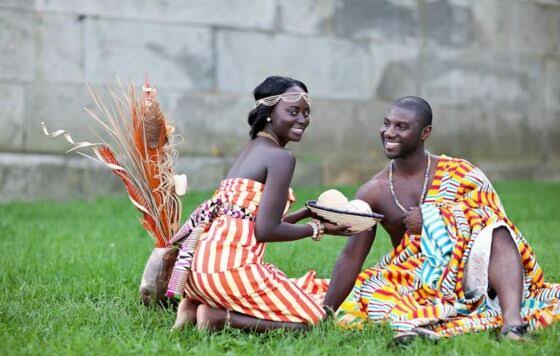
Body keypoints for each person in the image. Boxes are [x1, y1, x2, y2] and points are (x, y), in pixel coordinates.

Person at [324, 96, 560, 342]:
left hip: (469, 270)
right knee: (377, 291)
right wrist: (324, 313)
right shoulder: (374, 190)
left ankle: (513, 326)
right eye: (387, 123)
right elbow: (352, 256)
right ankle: (427, 328)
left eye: (401, 126)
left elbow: (493, 218)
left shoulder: (460, 171)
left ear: (425, 132)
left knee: (497, 230)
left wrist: (433, 220)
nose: (389, 132)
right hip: (417, 280)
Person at [167, 76, 353, 332]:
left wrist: (305, 213)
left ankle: (192, 307)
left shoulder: (251, 150)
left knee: (296, 295)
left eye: (306, 113)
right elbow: (266, 230)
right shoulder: (281, 157)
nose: (302, 120)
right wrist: (318, 229)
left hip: (199, 273)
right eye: (293, 111)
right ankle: (217, 318)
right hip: (229, 272)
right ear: (268, 113)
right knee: (315, 320)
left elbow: (253, 221)